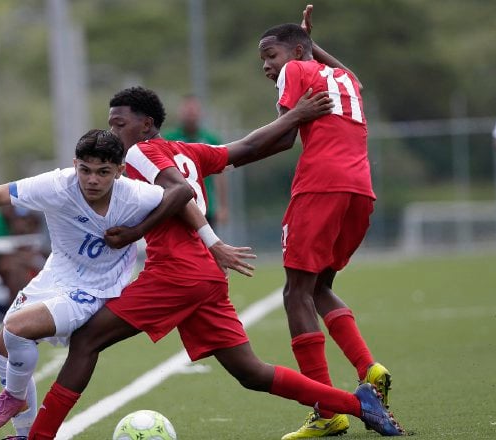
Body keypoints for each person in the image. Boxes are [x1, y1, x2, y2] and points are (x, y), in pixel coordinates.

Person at [27, 87, 404, 440]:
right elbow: (252, 146)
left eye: (119, 123)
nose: (112, 130)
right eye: (110, 122)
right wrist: (294, 116)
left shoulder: (140, 152)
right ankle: (359, 404)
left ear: (146, 125)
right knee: (249, 371)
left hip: (177, 272)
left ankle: (38, 436)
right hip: (204, 276)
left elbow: (181, 192)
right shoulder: (188, 150)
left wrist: (142, 234)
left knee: (86, 341)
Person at [0, 129, 182, 438]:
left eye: (103, 172)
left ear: (119, 171)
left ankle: (12, 398)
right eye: (85, 170)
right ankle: (26, 434)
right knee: (1, 350)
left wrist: (208, 243)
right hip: (55, 276)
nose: (92, 179)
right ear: (75, 164)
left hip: (95, 289)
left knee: (17, 327)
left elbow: (182, 194)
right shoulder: (57, 185)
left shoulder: (136, 195)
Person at [256, 6, 395, 438]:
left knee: (294, 293)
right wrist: (310, 44)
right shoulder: (345, 79)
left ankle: (326, 410)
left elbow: (282, 138)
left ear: (296, 53)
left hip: (320, 187)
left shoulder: (295, 70)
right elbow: (352, 73)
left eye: (271, 55)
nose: (267, 65)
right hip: (360, 189)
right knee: (318, 288)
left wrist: (227, 157)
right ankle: (368, 368)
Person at [164, 94, 229, 227]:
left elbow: (219, 176)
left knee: (207, 246)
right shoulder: (168, 139)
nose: (190, 114)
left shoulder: (211, 139)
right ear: (180, 113)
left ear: (201, 113)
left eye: (194, 110)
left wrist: (222, 206)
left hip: (206, 206)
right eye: (187, 111)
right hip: (179, 205)